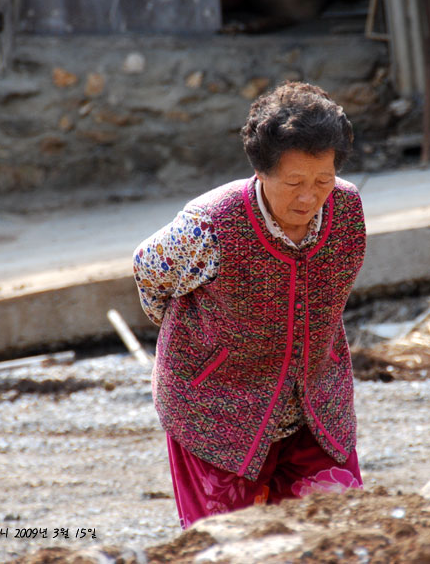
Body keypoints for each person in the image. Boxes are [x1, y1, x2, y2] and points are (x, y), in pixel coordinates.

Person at [133, 81, 367, 528]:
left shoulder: (348, 208)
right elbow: (149, 271)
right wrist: (198, 342)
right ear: (260, 172)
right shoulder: (210, 225)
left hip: (315, 403)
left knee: (341, 533)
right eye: (294, 182)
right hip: (215, 411)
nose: (309, 197)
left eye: (323, 180)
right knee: (229, 547)